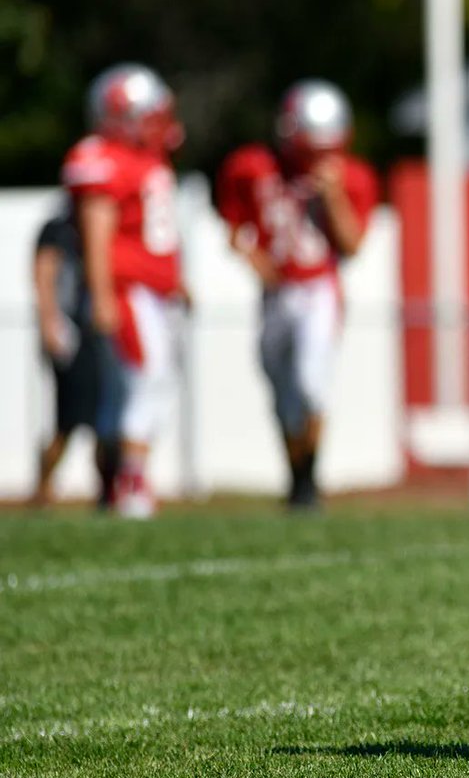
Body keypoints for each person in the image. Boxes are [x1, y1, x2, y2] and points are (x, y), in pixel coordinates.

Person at [216, 80, 379, 510]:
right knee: (283, 393)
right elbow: (233, 230)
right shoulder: (254, 166)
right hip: (275, 294)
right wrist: (254, 259)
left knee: (311, 384)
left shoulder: (351, 176)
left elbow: (353, 246)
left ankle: (309, 479)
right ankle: (297, 482)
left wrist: (334, 196)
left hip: (320, 288)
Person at [62, 63, 188, 520]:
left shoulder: (147, 160)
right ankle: (131, 484)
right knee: (144, 379)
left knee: (135, 389)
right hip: (127, 287)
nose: (160, 123)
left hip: (153, 289)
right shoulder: (101, 157)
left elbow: (157, 236)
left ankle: (113, 487)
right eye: (150, 114)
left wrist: (177, 281)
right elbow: (97, 233)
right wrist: (102, 295)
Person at [29, 204, 119, 508]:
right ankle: (42, 489)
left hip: (100, 335)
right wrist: (48, 322)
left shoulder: (110, 221)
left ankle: (107, 493)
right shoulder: (58, 230)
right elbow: (44, 272)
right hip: (69, 336)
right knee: (67, 422)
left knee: (106, 421)